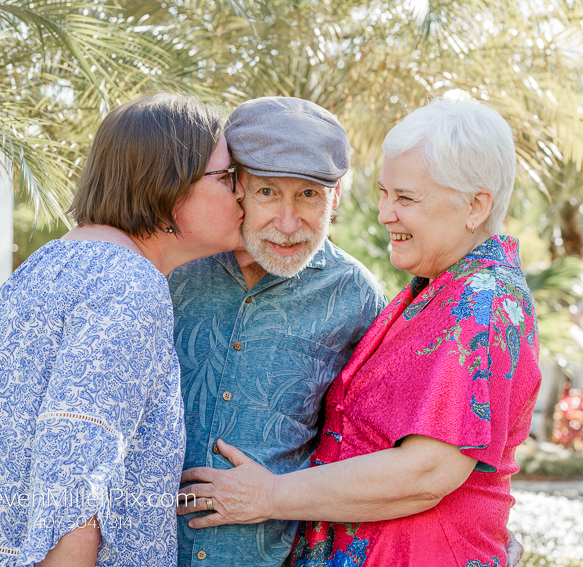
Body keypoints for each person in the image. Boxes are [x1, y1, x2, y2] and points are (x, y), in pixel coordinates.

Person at [0, 97, 525, 567]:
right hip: (141, 549)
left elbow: (405, 447)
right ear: (234, 184)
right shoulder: (169, 267)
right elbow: (78, 367)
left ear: (336, 197)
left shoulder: (363, 298)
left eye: (309, 196)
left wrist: (272, 499)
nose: (287, 222)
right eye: (266, 192)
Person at [0, 93, 245, 567]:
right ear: (167, 183)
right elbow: (73, 468)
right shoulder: (129, 283)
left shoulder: (47, 262)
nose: (242, 192)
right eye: (226, 176)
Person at [176, 99, 541, 567]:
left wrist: (269, 495)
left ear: (476, 206)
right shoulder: (432, 295)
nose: (385, 212)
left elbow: (429, 471)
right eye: (385, 192)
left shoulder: (481, 303)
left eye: (405, 198)